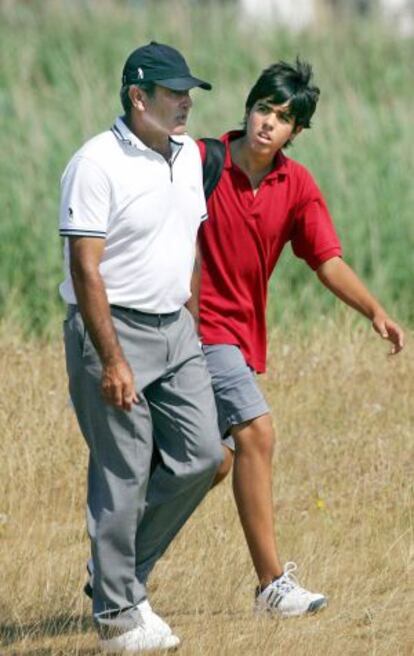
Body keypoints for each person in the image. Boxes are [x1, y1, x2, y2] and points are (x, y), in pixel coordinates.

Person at [196, 58, 404, 618]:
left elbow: (326, 260)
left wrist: (374, 311)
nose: (268, 122)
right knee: (257, 434)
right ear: (248, 107)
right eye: (263, 107)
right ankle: (270, 586)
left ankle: (117, 568)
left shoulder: (296, 184)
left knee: (210, 463)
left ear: (296, 132)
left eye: (283, 117)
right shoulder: (199, 161)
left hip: (238, 341)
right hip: (195, 330)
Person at [59, 41, 223, 653]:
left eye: (188, 93)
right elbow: (85, 267)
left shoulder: (186, 157)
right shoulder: (95, 163)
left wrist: (194, 325)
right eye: (174, 93)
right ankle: (118, 614)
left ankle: (114, 577)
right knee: (124, 472)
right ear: (138, 97)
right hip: (111, 326)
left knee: (204, 455)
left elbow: (191, 243)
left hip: (175, 327)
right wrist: (113, 359)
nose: (185, 103)